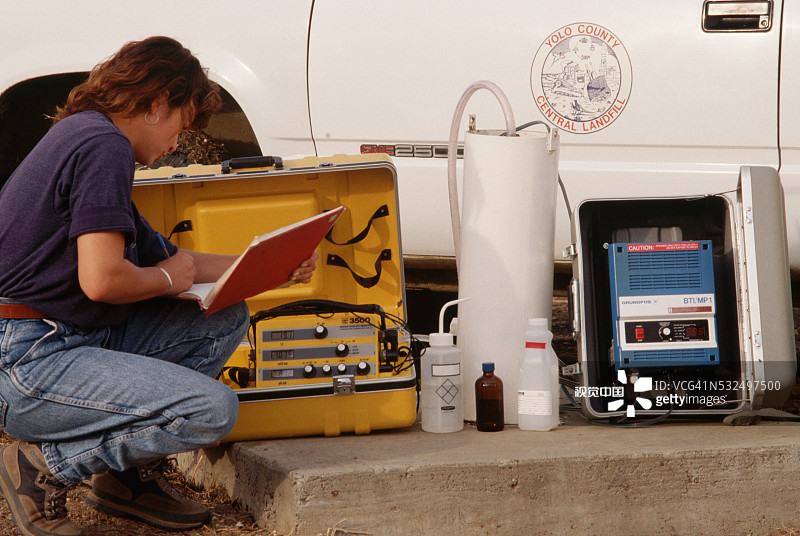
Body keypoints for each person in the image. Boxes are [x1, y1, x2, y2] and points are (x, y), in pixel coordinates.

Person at [0, 36, 318, 536]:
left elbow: (177, 261)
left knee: (224, 318)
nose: (176, 143)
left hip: (61, 339)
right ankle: (42, 467)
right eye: (178, 125)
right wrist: (167, 281)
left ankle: (121, 476)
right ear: (154, 104)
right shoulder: (103, 147)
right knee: (210, 410)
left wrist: (274, 264)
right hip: (29, 362)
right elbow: (103, 279)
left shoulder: (88, 136)